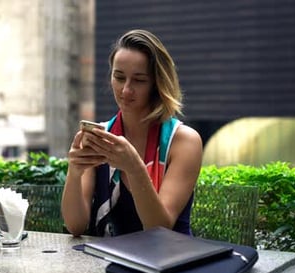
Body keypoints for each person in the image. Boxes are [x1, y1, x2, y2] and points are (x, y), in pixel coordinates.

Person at [61, 29, 203, 237]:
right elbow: (75, 226)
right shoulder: (101, 136)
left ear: (157, 83)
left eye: (139, 80)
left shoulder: (183, 141)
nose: (126, 90)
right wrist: (74, 171)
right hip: (107, 262)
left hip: (170, 263)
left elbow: (159, 228)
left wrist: (134, 167)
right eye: (119, 77)